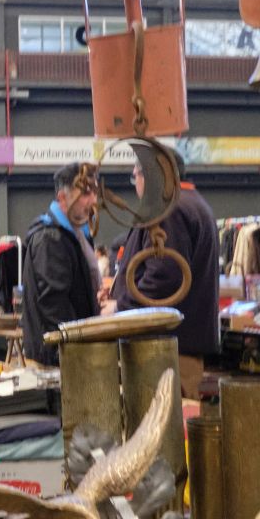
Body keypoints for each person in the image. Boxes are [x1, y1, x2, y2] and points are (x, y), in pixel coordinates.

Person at [108, 146, 218, 398]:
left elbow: (164, 276)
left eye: (135, 175)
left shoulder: (170, 209)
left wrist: (119, 310)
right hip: (177, 346)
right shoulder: (193, 204)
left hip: (166, 350)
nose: (135, 183)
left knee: (163, 430)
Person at [20, 164, 99, 366]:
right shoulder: (50, 239)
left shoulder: (78, 235)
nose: (93, 201)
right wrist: (77, 348)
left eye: (95, 193)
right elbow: (53, 304)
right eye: (85, 194)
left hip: (73, 351)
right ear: (62, 197)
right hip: (57, 357)